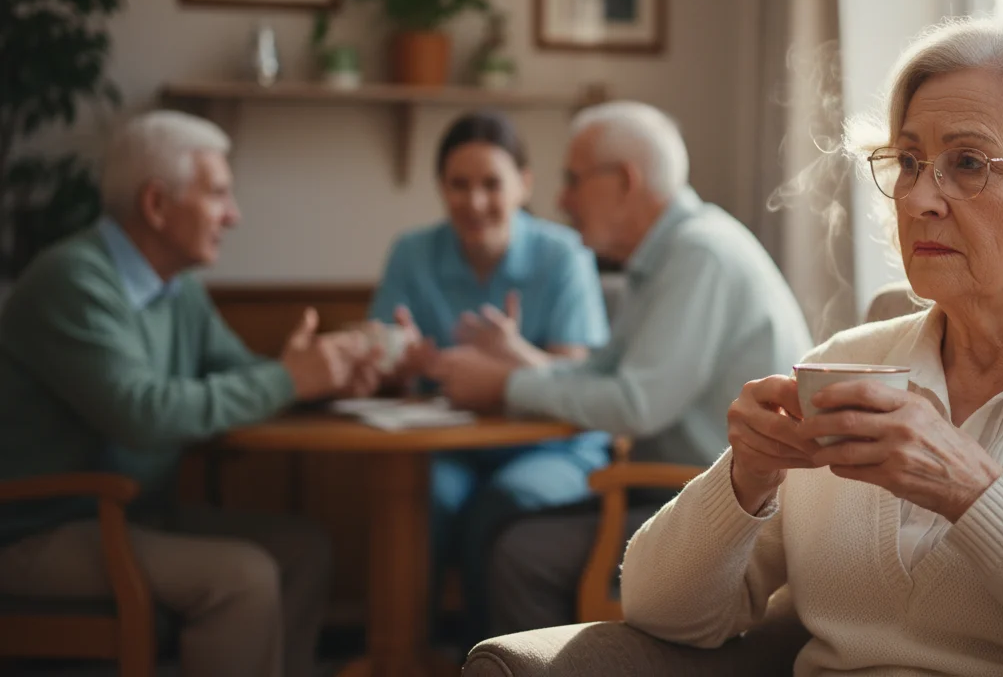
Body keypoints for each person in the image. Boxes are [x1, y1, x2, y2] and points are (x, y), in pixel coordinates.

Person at [618, 20, 1003, 676]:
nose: (919, 197)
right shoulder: (851, 364)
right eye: (909, 162)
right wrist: (743, 480)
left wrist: (978, 494)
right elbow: (660, 612)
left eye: (969, 164)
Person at [0, 111, 396, 677]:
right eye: (218, 195)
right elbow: (141, 413)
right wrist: (290, 378)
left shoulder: (176, 289)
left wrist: (322, 378)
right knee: (242, 578)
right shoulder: (72, 282)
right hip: (39, 531)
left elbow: (240, 373)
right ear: (156, 205)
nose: (233, 216)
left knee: (305, 549)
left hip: (130, 516)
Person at [425, 101, 814, 639]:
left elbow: (635, 405)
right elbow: (601, 373)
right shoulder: (668, 254)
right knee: (503, 519)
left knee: (517, 552)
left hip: (722, 507)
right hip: (675, 488)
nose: (559, 199)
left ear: (625, 181)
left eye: (572, 180)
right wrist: (516, 363)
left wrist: (505, 383)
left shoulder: (698, 256)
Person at [368, 111, 611, 645]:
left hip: (552, 448)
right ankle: (407, 653)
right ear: (440, 188)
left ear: (524, 184)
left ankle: (487, 660)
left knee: (499, 505)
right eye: (458, 185)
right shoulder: (413, 252)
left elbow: (580, 378)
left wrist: (512, 355)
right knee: (420, 500)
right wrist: (399, 365)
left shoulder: (563, 254)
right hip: (448, 445)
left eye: (490, 184)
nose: (474, 202)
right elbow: (380, 361)